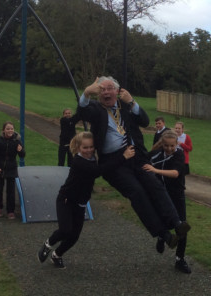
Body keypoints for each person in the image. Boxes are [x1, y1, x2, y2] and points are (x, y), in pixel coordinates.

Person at [76, 76, 190, 249]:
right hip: (115, 164)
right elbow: (82, 111)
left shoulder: (125, 106)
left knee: (154, 184)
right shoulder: (96, 108)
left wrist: (132, 102)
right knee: (138, 193)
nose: (106, 92)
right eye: (102, 89)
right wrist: (86, 92)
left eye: (109, 89)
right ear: (99, 93)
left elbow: (144, 121)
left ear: (117, 91)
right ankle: (164, 234)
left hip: (136, 157)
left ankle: (176, 222)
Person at [38, 132, 134, 268]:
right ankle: (48, 244)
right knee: (65, 230)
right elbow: (97, 171)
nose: (89, 150)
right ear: (78, 148)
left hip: (81, 202)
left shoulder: (92, 158)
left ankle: (57, 255)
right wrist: (123, 157)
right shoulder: (78, 161)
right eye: (85, 148)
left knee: (74, 236)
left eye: (91, 147)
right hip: (66, 199)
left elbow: (104, 163)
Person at [144, 130, 191, 273]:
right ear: (162, 144)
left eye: (172, 146)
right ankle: (162, 236)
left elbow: (175, 173)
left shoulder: (179, 154)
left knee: (181, 227)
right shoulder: (156, 154)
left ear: (176, 144)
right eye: (166, 146)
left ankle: (180, 259)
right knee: (161, 220)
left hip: (176, 196)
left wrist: (155, 170)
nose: (169, 149)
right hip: (160, 195)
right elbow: (143, 160)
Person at [0, 121, 25, 219]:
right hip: (0, 167)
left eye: (11, 129)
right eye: (8, 129)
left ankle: (10, 211)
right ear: (3, 130)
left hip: (11, 167)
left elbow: (22, 155)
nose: (10, 130)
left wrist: (20, 150)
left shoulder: (17, 141)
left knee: (10, 191)